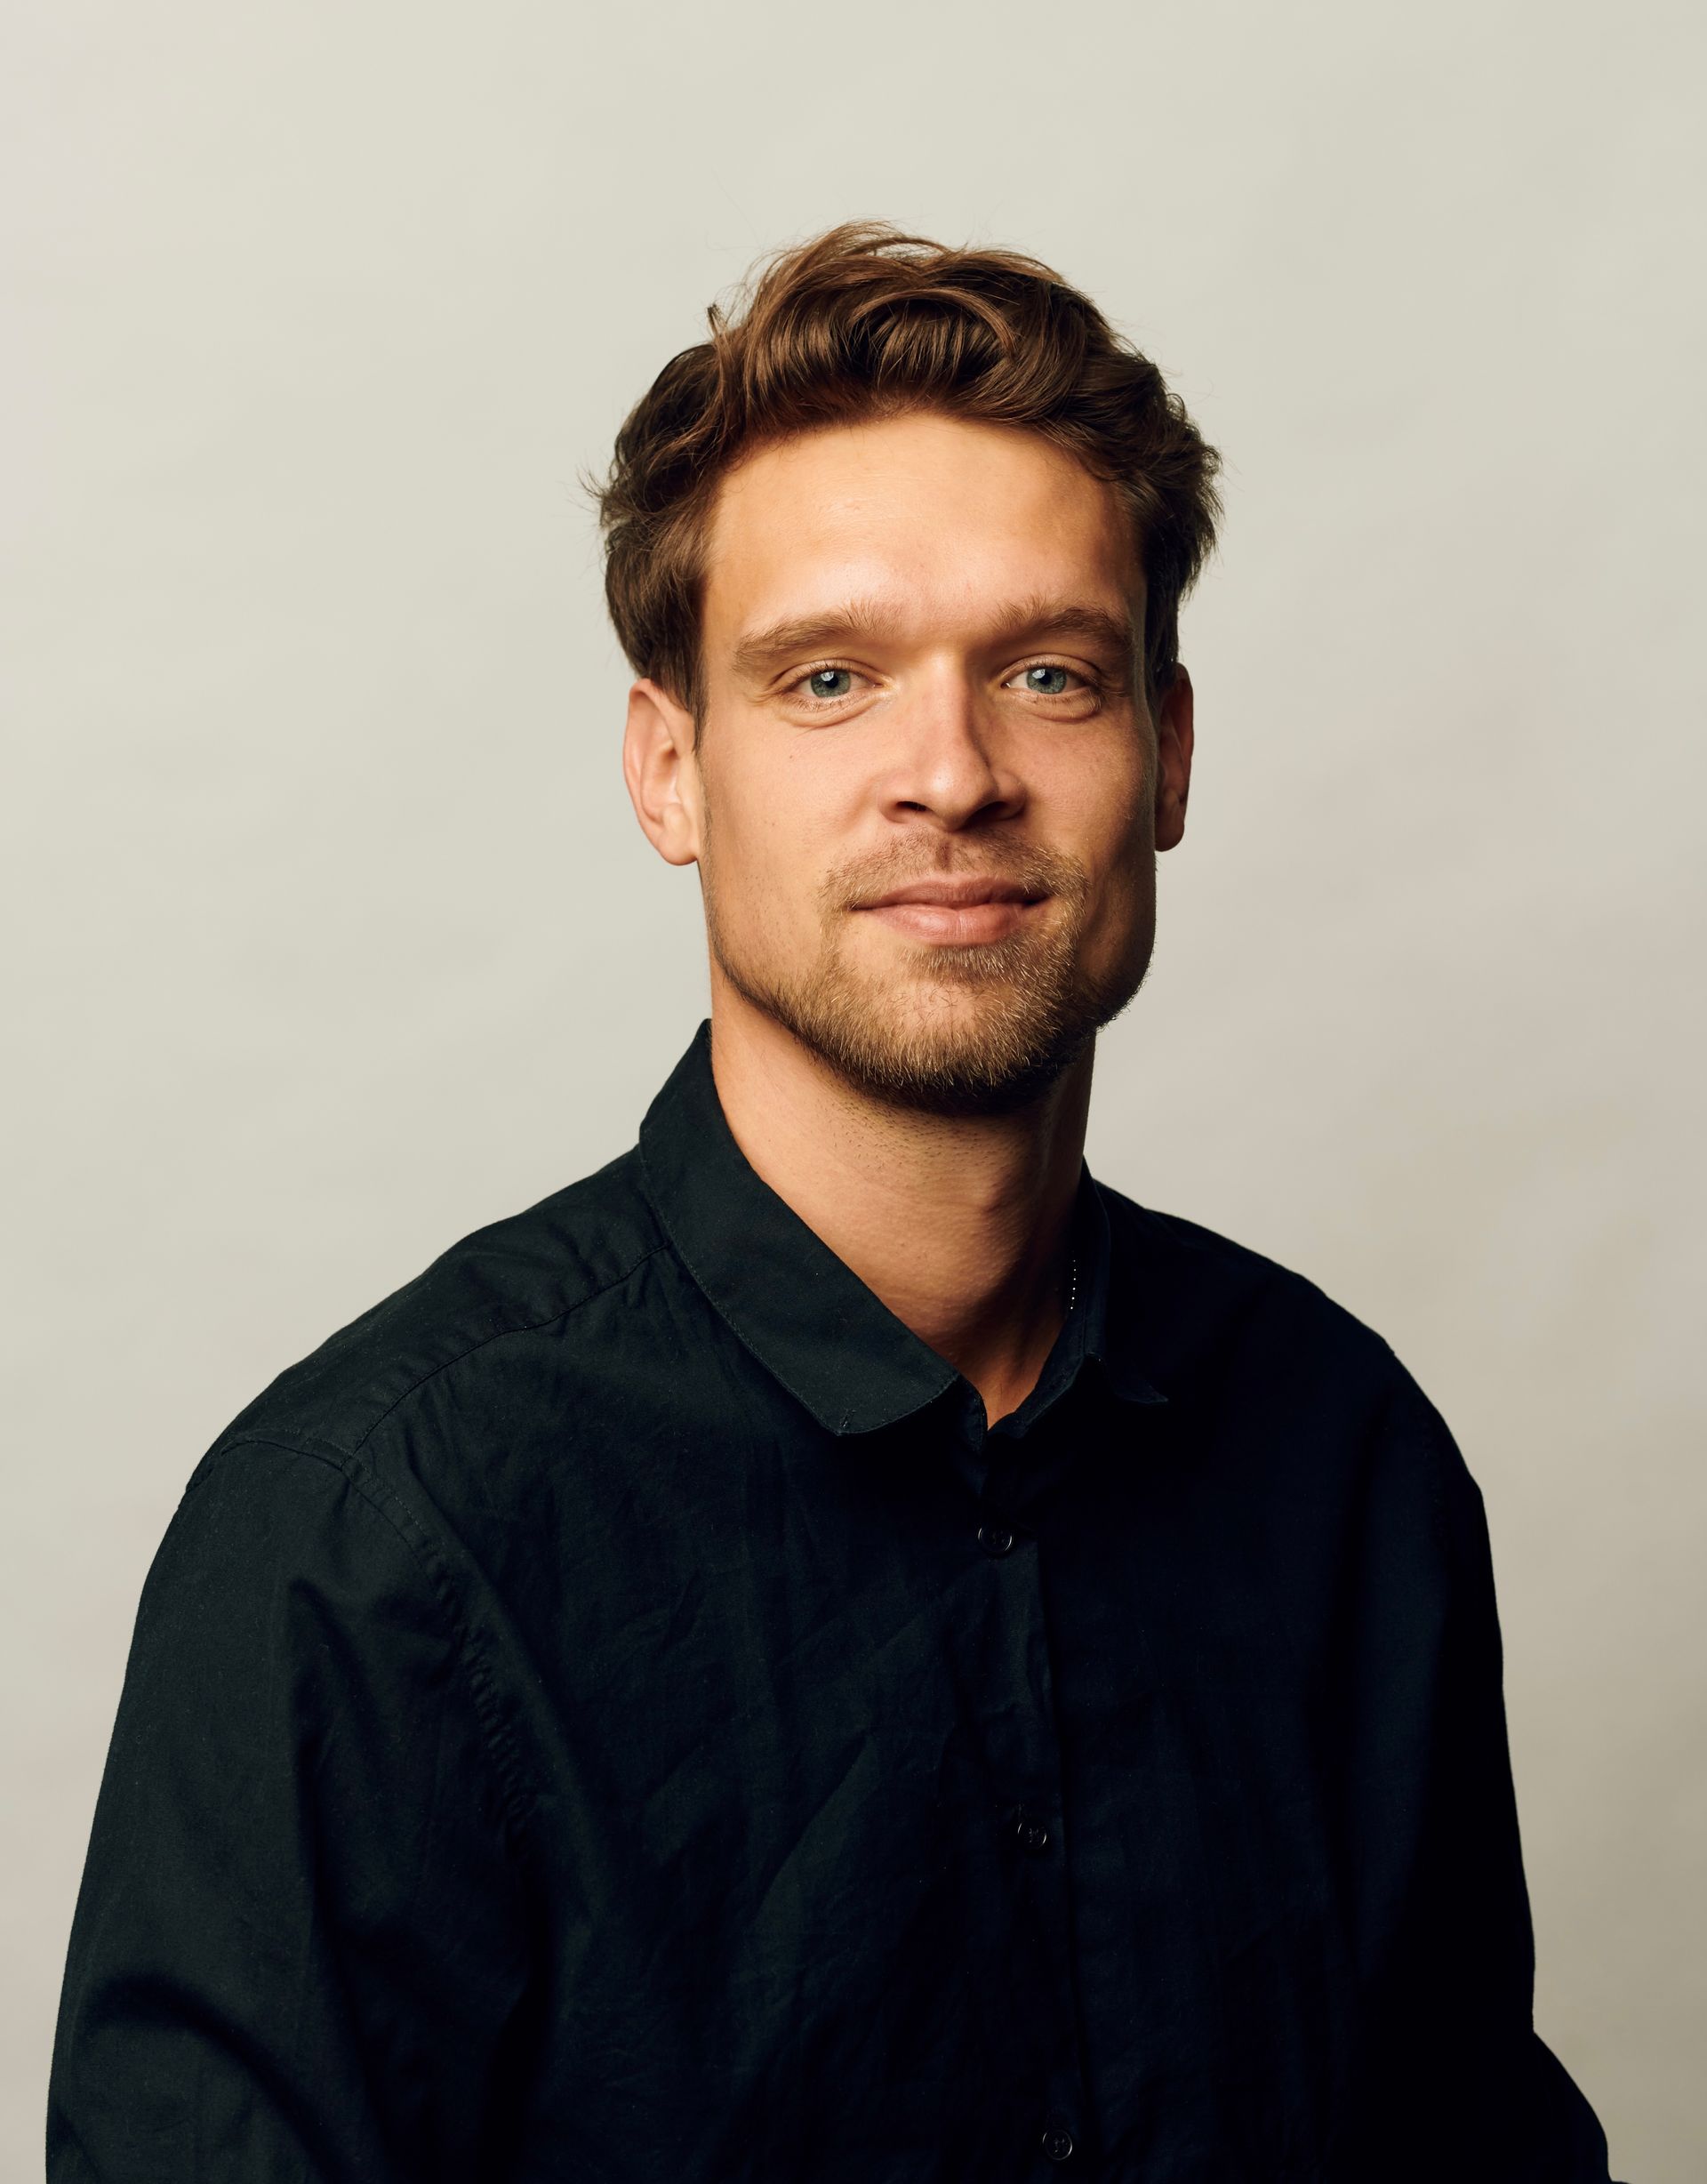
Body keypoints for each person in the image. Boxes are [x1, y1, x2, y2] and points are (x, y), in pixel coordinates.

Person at [46, 221, 1622, 2182]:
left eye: (1050, 671)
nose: (950, 773)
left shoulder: (1345, 1461)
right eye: (830, 680)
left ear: (1169, 755)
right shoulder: (369, 1542)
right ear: (671, 768)